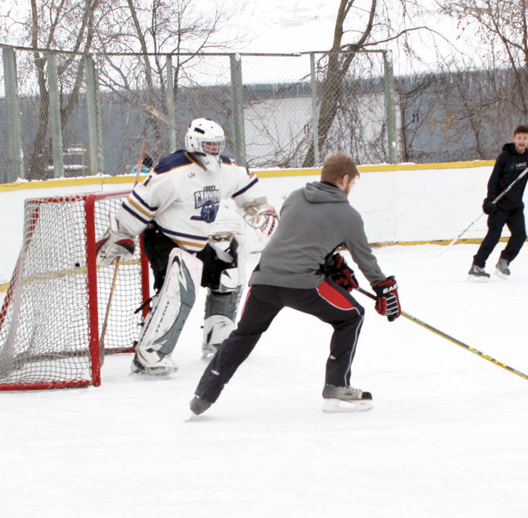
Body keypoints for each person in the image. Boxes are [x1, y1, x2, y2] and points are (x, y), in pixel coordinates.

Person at [188, 152, 401, 416]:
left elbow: (298, 236)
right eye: (352, 184)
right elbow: (365, 260)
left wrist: (328, 261)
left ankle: (204, 395)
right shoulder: (348, 215)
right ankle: (336, 385)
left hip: (263, 279)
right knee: (352, 316)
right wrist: (383, 288)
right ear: (345, 179)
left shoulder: (295, 196)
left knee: (244, 336)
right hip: (303, 283)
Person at [96, 118, 279, 375]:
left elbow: (246, 187)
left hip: (196, 244)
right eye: (208, 145)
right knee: (178, 289)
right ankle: (151, 355)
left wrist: (261, 209)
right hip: (163, 240)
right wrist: (120, 235)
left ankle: (219, 340)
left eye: (218, 145)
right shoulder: (173, 171)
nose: (214, 151)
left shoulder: (224, 169)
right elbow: (139, 203)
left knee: (228, 269)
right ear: (194, 142)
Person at [468, 125, 528, 281]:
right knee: (494, 236)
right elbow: (494, 179)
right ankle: (477, 266)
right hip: (500, 205)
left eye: (525, 138)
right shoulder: (505, 156)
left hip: (516, 206)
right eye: (519, 138)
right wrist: (489, 200)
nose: (522, 141)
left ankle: (504, 262)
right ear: (514, 139)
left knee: (520, 235)